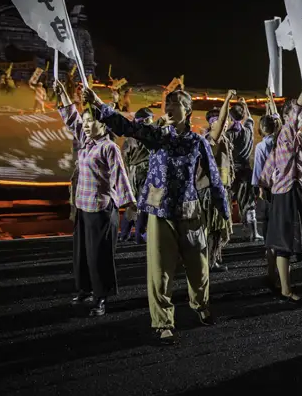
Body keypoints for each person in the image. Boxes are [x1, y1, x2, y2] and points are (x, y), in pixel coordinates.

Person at [83, 85, 228, 344]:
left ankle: (201, 306)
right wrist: (98, 104)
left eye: (175, 104)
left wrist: (223, 208)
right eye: (167, 105)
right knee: (159, 272)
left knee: (200, 268)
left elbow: (214, 176)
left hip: (191, 211)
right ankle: (163, 322)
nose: (169, 109)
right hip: (160, 214)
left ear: (188, 110)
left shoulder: (198, 142)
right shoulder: (157, 136)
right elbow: (126, 125)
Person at [56, 81, 135, 318]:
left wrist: (129, 205)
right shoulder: (86, 142)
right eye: (86, 122)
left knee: (98, 256)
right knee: (81, 254)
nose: (87, 125)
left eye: (92, 122)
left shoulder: (109, 147)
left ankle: (101, 297)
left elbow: (121, 176)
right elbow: (72, 120)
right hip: (83, 206)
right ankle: (84, 290)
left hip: (101, 210)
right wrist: (63, 96)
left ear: (103, 124)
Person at [258, 89, 302, 302]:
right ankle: (285, 289)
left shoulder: (289, 136)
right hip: (288, 193)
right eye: (295, 114)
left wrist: (263, 183)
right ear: (288, 117)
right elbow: (297, 112)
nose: (301, 117)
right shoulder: (288, 132)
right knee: (284, 244)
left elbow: (272, 163)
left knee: (283, 242)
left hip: (293, 191)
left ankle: (277, 281)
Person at [205, 91, 237, 272]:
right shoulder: (212, 139)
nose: (225, 124)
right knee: (214, 228)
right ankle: (210, 262)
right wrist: (227, 100)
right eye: (220, 122)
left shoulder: (223, 139)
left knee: (217, 230)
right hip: (213, 192)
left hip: (222, 189)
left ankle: (213, 258)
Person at [227, 96, 261, 242]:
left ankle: (226, 232)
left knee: (227, 202)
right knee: (249, 203)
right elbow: (250, 118)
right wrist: (245, 104)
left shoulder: (229, 134)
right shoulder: (248, 130)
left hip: (232, 172)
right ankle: (253, 232)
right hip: (246, 171)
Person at [119, 107, 154, 244]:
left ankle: (124, 234)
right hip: (144, 172)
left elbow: (124, 157)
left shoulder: (130, 137)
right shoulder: (148, 134)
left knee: (132, 204)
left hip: (131, 173)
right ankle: (140, 235)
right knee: (143, 204)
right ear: (146, 120)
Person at [252, 96, 280, 243]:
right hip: (282, 183)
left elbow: (259, 167)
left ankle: (269, 242)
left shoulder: (261, 147)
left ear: (261, 129)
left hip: (268, 185)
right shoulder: (281, 141)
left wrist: (259, 187)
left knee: (268, 215)